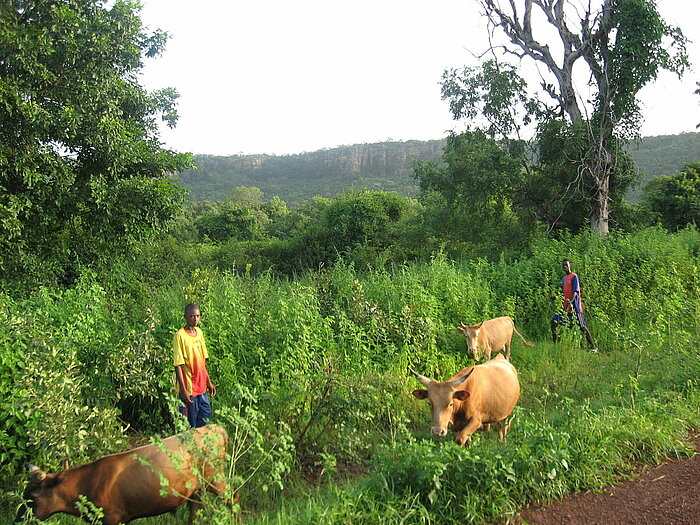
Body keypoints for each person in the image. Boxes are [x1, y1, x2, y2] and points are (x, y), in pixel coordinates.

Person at [173, 303, 216, 427]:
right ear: (185, 317)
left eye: (197, 316)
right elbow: (178, 365)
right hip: (189, 388)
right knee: (190, 425)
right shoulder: (180, 336)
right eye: (192, 316)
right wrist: (183, 390)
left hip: (201, 387)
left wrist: (208, 382)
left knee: (205, 420)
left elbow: (202, 362)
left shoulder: (199, 333)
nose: (195, 319)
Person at [551, 259, 598, 352]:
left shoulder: (574, 277)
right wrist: (556, 297)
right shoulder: (564, 279)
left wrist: (569, 304)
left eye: (566, 265)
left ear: (569, 266)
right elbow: (564, 293)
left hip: (575, 307)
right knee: (554, 322)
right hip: (565, 307)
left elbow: (575, 293)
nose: (564, 267)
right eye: (563, 265)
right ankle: (555, 345)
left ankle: (593, 347)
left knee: (582, 326)